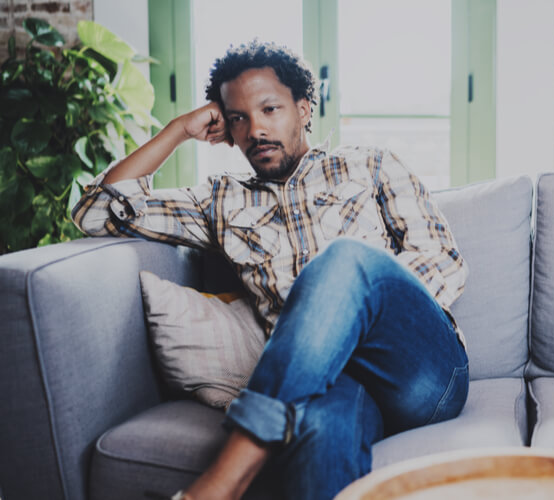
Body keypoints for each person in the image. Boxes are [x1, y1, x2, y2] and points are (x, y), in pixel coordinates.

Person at [72, 41, 470, 499]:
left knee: (345, 260)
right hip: (320, 386)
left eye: (269, 109)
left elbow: (443, 260)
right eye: (238, 117)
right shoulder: (219, 201)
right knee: (320, 430)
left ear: (303, 109)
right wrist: (179, 129)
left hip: (419, 373)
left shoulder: (369, 165)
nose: (255, 129)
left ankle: (220, 482)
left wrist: (343, 315)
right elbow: (96, 210)